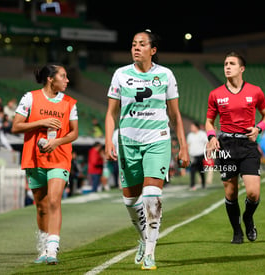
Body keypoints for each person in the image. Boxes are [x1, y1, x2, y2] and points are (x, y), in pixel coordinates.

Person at [104, 30, 190, 270]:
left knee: (152, 196)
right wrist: (108, 140)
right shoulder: (120, 74)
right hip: (127, 142)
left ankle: (150, 252)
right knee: (130, 201)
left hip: (157, 141)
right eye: (133, 44)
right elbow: (111, 113)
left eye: (142, 44)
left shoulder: (165, 75)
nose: (136, 48)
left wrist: (182, 146)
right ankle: (143, 239)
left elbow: (174, 114)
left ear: (153, 50)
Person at [11, 64, 78, 265]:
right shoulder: (30, 98)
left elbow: (74, 133)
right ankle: (42, 247)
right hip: (34, 158)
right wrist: (42, 122)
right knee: (41, 207)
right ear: (50, 79)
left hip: (60, 157)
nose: (67, 81)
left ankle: (52, 248)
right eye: (63, 76)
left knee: (54, 201)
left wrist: (57, 142)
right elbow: (16, 126)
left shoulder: (69, 103)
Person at [205, 51, 265, 244]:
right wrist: (211, 137)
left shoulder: (255, 91)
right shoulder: (215, 94)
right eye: (225, 63)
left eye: (232, 63)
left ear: (241, 69)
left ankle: (248, 218)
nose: (227, 66)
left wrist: (259, 128)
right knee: (230, 193)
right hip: (226, 145)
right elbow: (209, 121)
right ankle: (237, 231)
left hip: (248, 144)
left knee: (253, 193)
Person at [187, 121, 208, 190]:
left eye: (192, 127)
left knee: (201, 170)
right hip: (193, 155)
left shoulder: (202, 134)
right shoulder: (190, 135)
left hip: (200, 155)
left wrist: (207, 152)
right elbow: (188, 145)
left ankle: (203, 184)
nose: (191, 128)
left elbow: (206, 143)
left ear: (196, 127)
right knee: (192, 171)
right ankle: (192, 185)